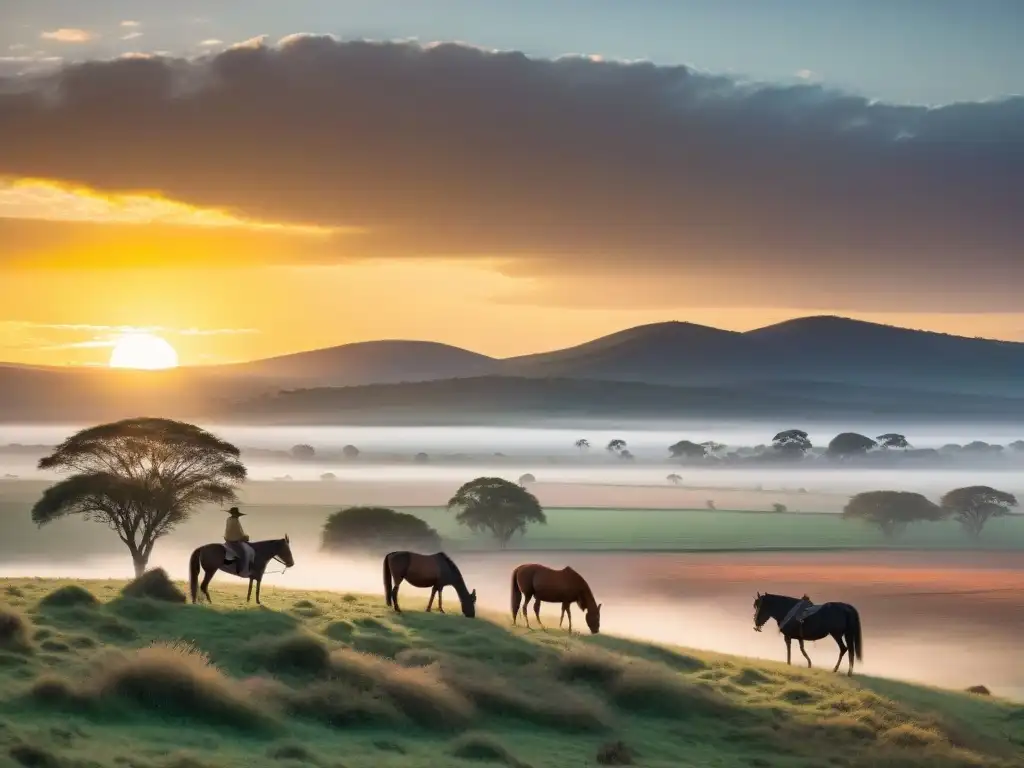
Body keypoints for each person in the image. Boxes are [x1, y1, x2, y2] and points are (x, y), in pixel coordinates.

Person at [224, 506, 251, 576]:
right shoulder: (235, 520)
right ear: (236, 514)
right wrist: (244, 537)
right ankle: (240, 569)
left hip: (227, 538)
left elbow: (230, 530)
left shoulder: (228, 519)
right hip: (234, 539)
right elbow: (238, 532)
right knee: (243, 552)